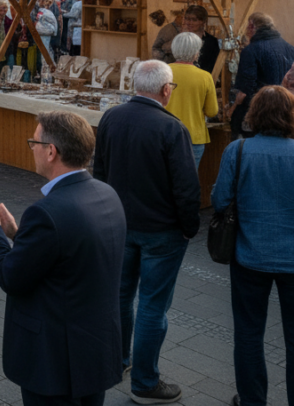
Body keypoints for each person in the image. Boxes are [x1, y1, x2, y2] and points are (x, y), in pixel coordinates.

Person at [0, 110, 127, 406]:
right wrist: (16, 233)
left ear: (52, 152)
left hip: (54, 361)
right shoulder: (107, 194)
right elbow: (66, 254)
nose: (32, 149)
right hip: (95, 352)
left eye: (35, 142)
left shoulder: (46, 212)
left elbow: (11, 276)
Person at [93, 60, 200, 404]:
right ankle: (144, 381)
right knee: (153, 306)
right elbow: (186, 188)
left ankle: (119, 360)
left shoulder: (112, 117)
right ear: (166, 90)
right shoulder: (172, 129)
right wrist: (189, 228)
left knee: (121, 296)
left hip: (120, 225)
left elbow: (101, 171)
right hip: (161, 232)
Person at [211, 86, 294, 406]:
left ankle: (252, 400)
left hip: (249, 256)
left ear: (254, 114)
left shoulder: (238, 151)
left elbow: (219, 201)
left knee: (248, 334)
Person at [229, 12, 294, 137]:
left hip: (261, 113)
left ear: (252, 26)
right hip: (286, 112)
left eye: (247, 27)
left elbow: (245, 88)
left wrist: (234, 110)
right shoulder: (290, 48)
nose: (246, 31)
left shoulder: (251, 50)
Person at [166, 32, 219, 171]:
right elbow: (212, 111)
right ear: (196, 52)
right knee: (187, 184)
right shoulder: (205, 77)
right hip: (194, 137)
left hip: (165, 134)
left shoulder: (163, 71)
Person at [180, 4, 220, 73]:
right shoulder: (182, 39)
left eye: (194, 20)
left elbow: (211, 66)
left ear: (203, 22)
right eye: (187, 19)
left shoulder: (212, 42)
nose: (190, 23)